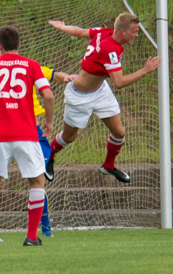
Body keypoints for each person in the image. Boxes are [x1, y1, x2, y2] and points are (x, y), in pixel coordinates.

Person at [47, 14, 161, 183]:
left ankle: (108, 166)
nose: (137, 35)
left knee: (119, 132)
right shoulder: (111, 51)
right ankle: (48, 157)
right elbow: (119, 82)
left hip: (100, 90)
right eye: (134, 32)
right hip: (80, 96)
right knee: (69, 137)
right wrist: (144, 70)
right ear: (123, 32)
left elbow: (79, 32)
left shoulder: (104, 32)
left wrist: (63, 27)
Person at [0, 26, 55, 248]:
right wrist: (49, 121)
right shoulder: (32, 65)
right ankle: (31, 236)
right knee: (36, 182)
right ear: (19, 45)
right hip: (26, 133)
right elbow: (48, 94)